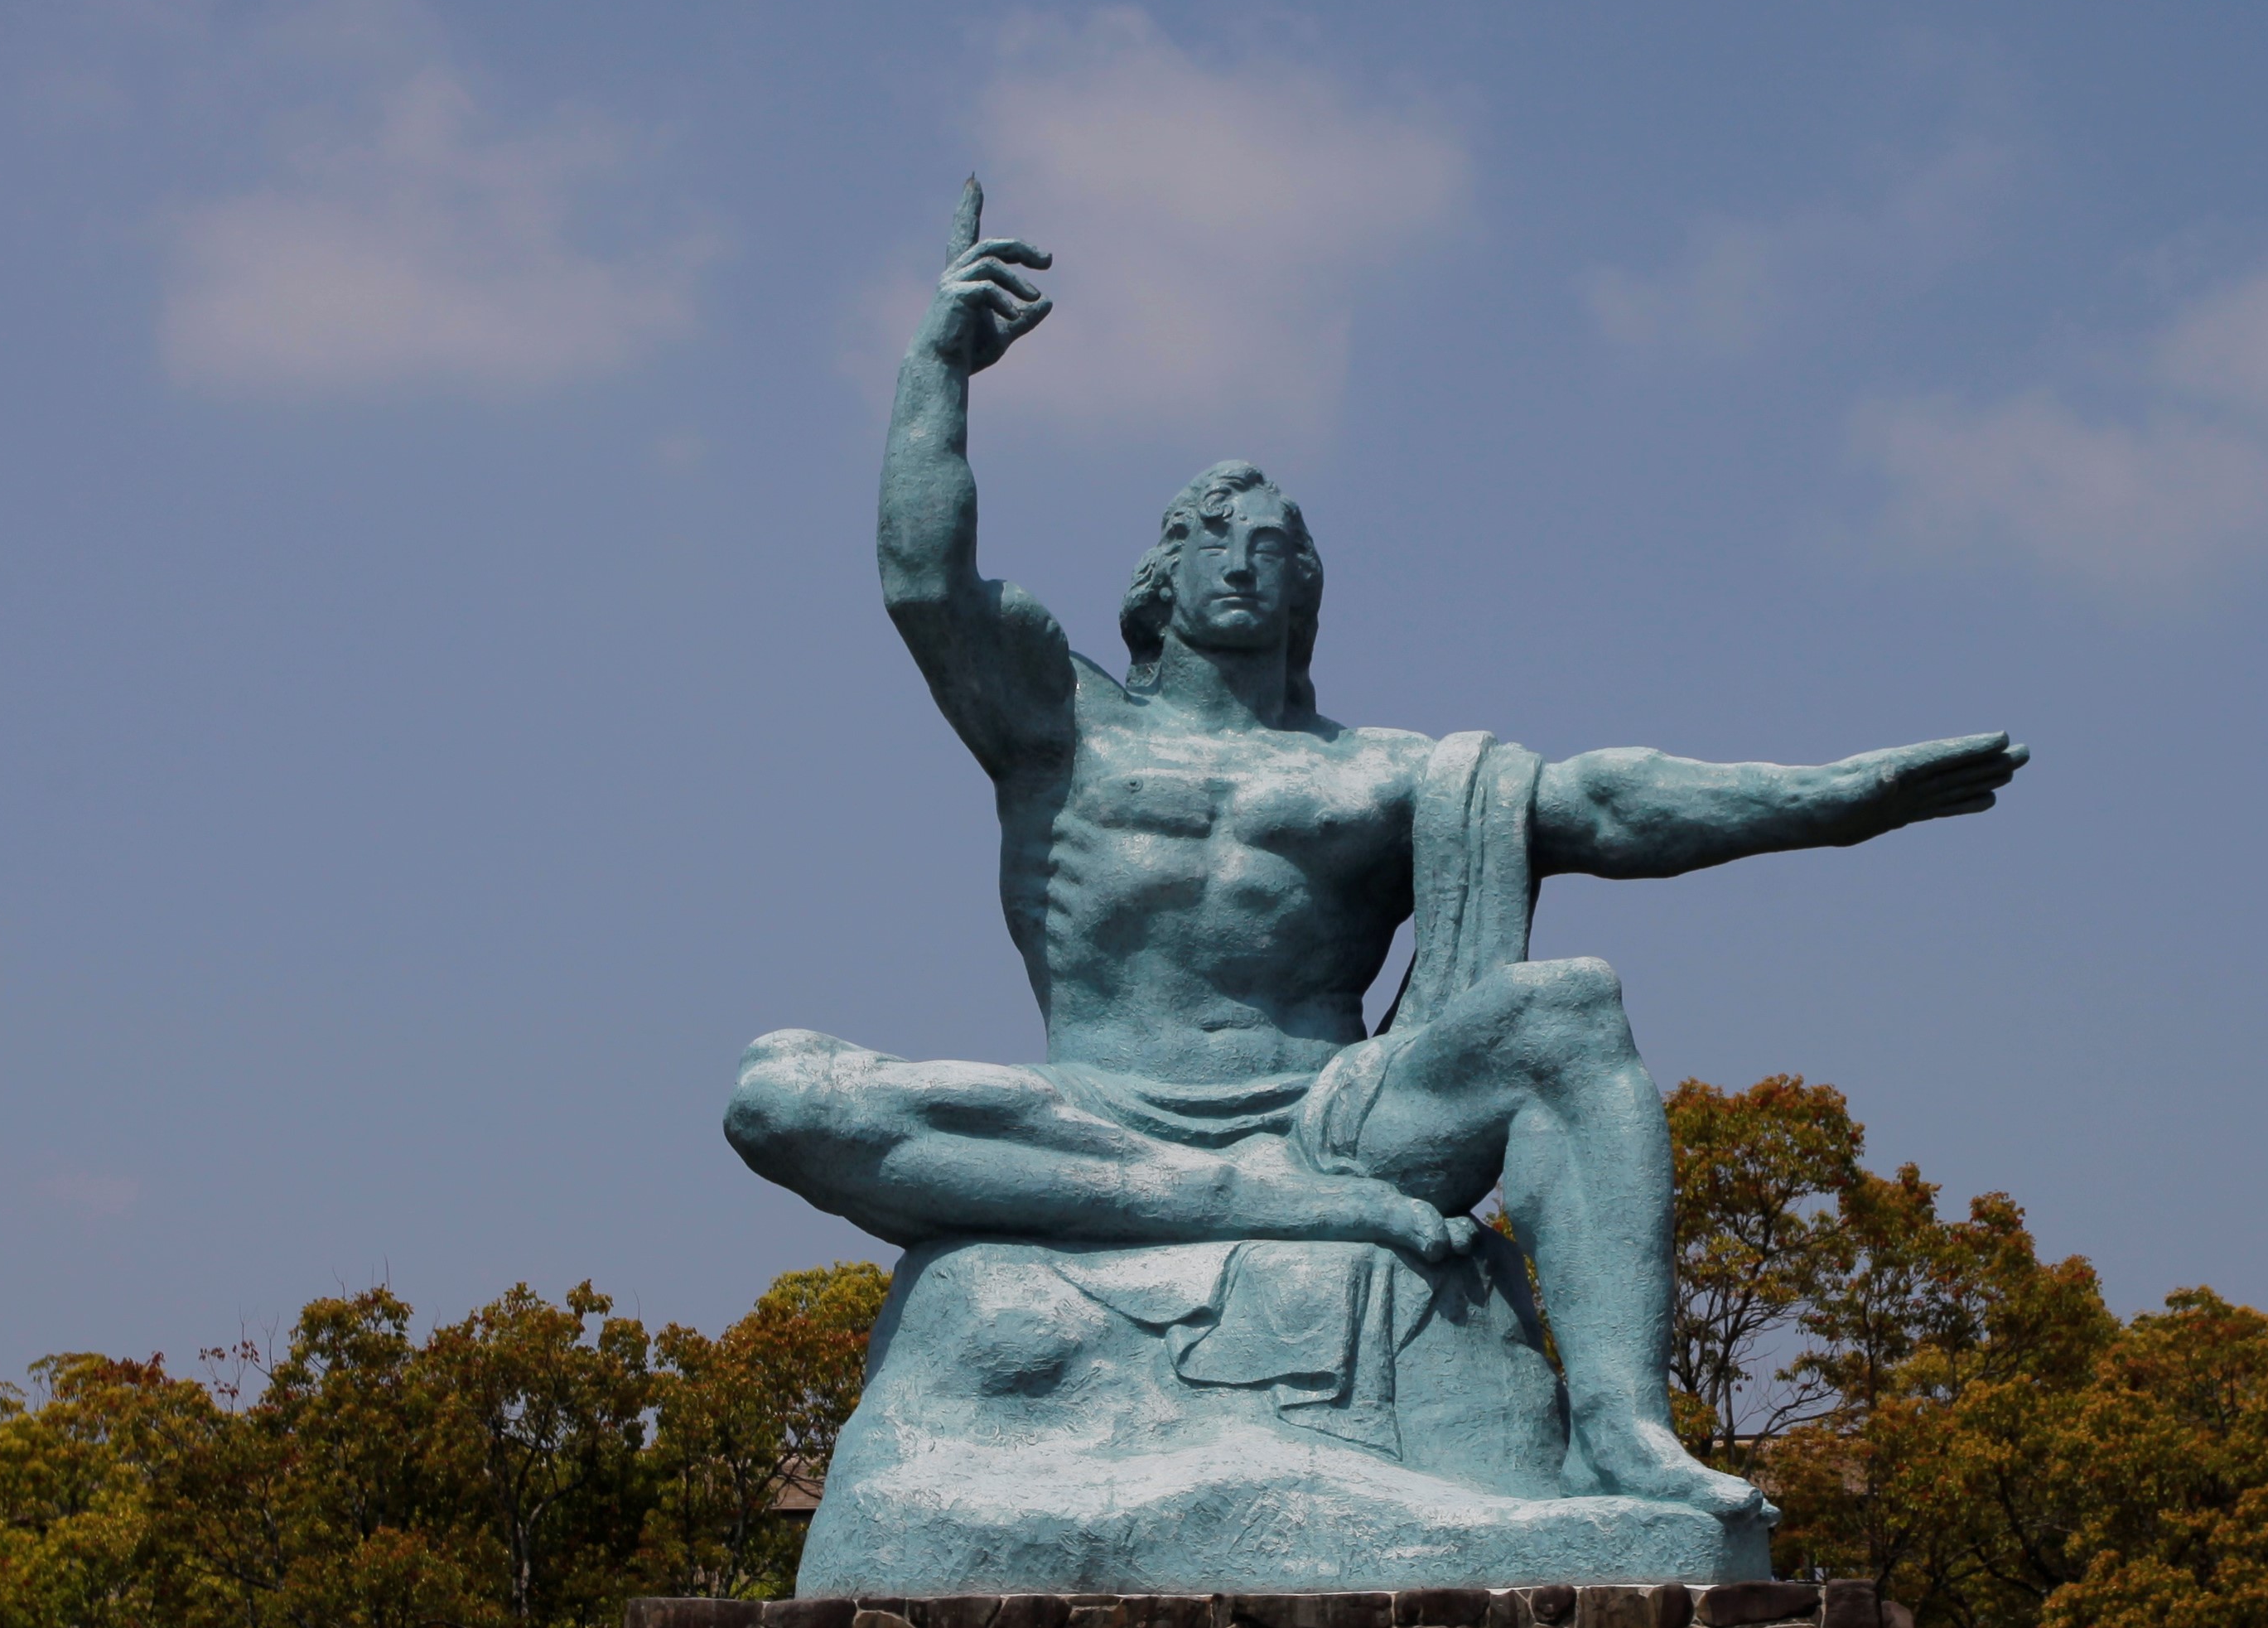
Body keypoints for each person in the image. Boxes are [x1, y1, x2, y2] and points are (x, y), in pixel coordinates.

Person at [728, 183, 2025, 1517]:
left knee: (1568, 1014)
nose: (1239, 559)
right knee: (781, 1093)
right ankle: (1223, 1205)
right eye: (1205, 537)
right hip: (1097, 1111)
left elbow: (1609, 804)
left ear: (1306, 589)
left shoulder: (1380, 773)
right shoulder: (1059, 725)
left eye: (1272, 547)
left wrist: (1831, 795)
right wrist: (935, 367)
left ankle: (1623, 1429)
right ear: (1155, 577)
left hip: (1329, 1126)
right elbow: (920, 582)